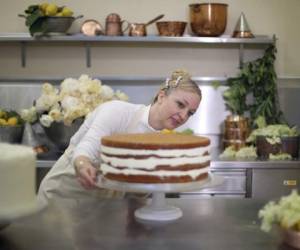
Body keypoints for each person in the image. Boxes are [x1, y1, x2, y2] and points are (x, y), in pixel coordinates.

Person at [37, 69, 202, 206]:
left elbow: (137, 191)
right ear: (161, 97)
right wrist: (83, 164)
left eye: (190, 113)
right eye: (180, 104)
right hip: (62, 198)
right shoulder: (118, 112)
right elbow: (88, 145)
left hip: (100, 211)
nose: (183, 116)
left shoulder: (160, 144)